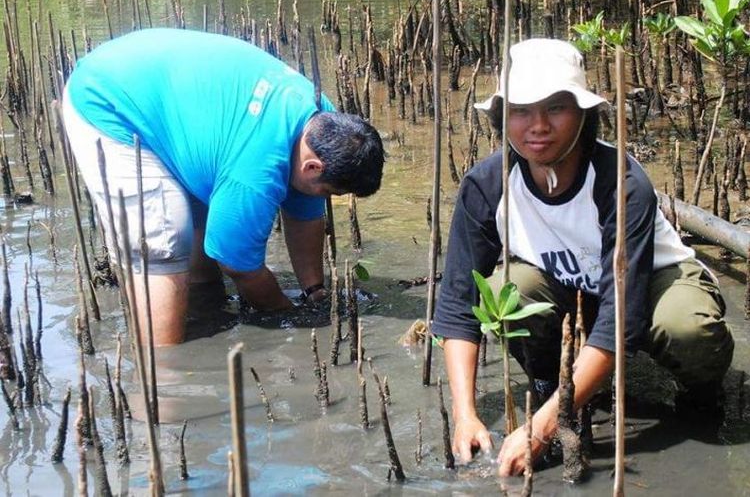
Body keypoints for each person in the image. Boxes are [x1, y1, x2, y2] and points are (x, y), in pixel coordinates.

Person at [431, 38, 734, 476]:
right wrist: (465, 415)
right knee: (504, 292)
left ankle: (701, 394)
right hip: (570, 294)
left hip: (653, 285)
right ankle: (552, 381)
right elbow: (458, 307)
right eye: (520, 111)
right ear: (502, 118)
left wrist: (542, 429)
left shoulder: (621, 182)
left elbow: (621, 321)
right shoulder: (487, 185)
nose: (537, 126)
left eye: (555, 107)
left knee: (688, 328)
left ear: (583, 114)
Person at [62, 28, 385, 346]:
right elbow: (240, 267)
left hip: (159, 83)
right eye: (331, 192)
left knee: (201, 219)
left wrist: (314, 292)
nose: (328, 200)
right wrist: (287, 313)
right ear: (312, 166)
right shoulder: (255, 174)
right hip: (107, 99)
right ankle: (162, 368)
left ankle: (204, 303)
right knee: (164, 237)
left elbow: (305, 211)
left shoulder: (320, 118)